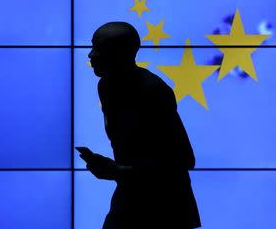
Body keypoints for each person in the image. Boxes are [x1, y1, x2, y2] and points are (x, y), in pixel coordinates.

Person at [82, 21, 202, 228]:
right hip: (132, 194)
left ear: (120, 53)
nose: (91, 55)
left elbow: (183, 159)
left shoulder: (152, 91)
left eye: (99, 48)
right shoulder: (107, 86)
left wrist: (118, 171)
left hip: (165, 206)